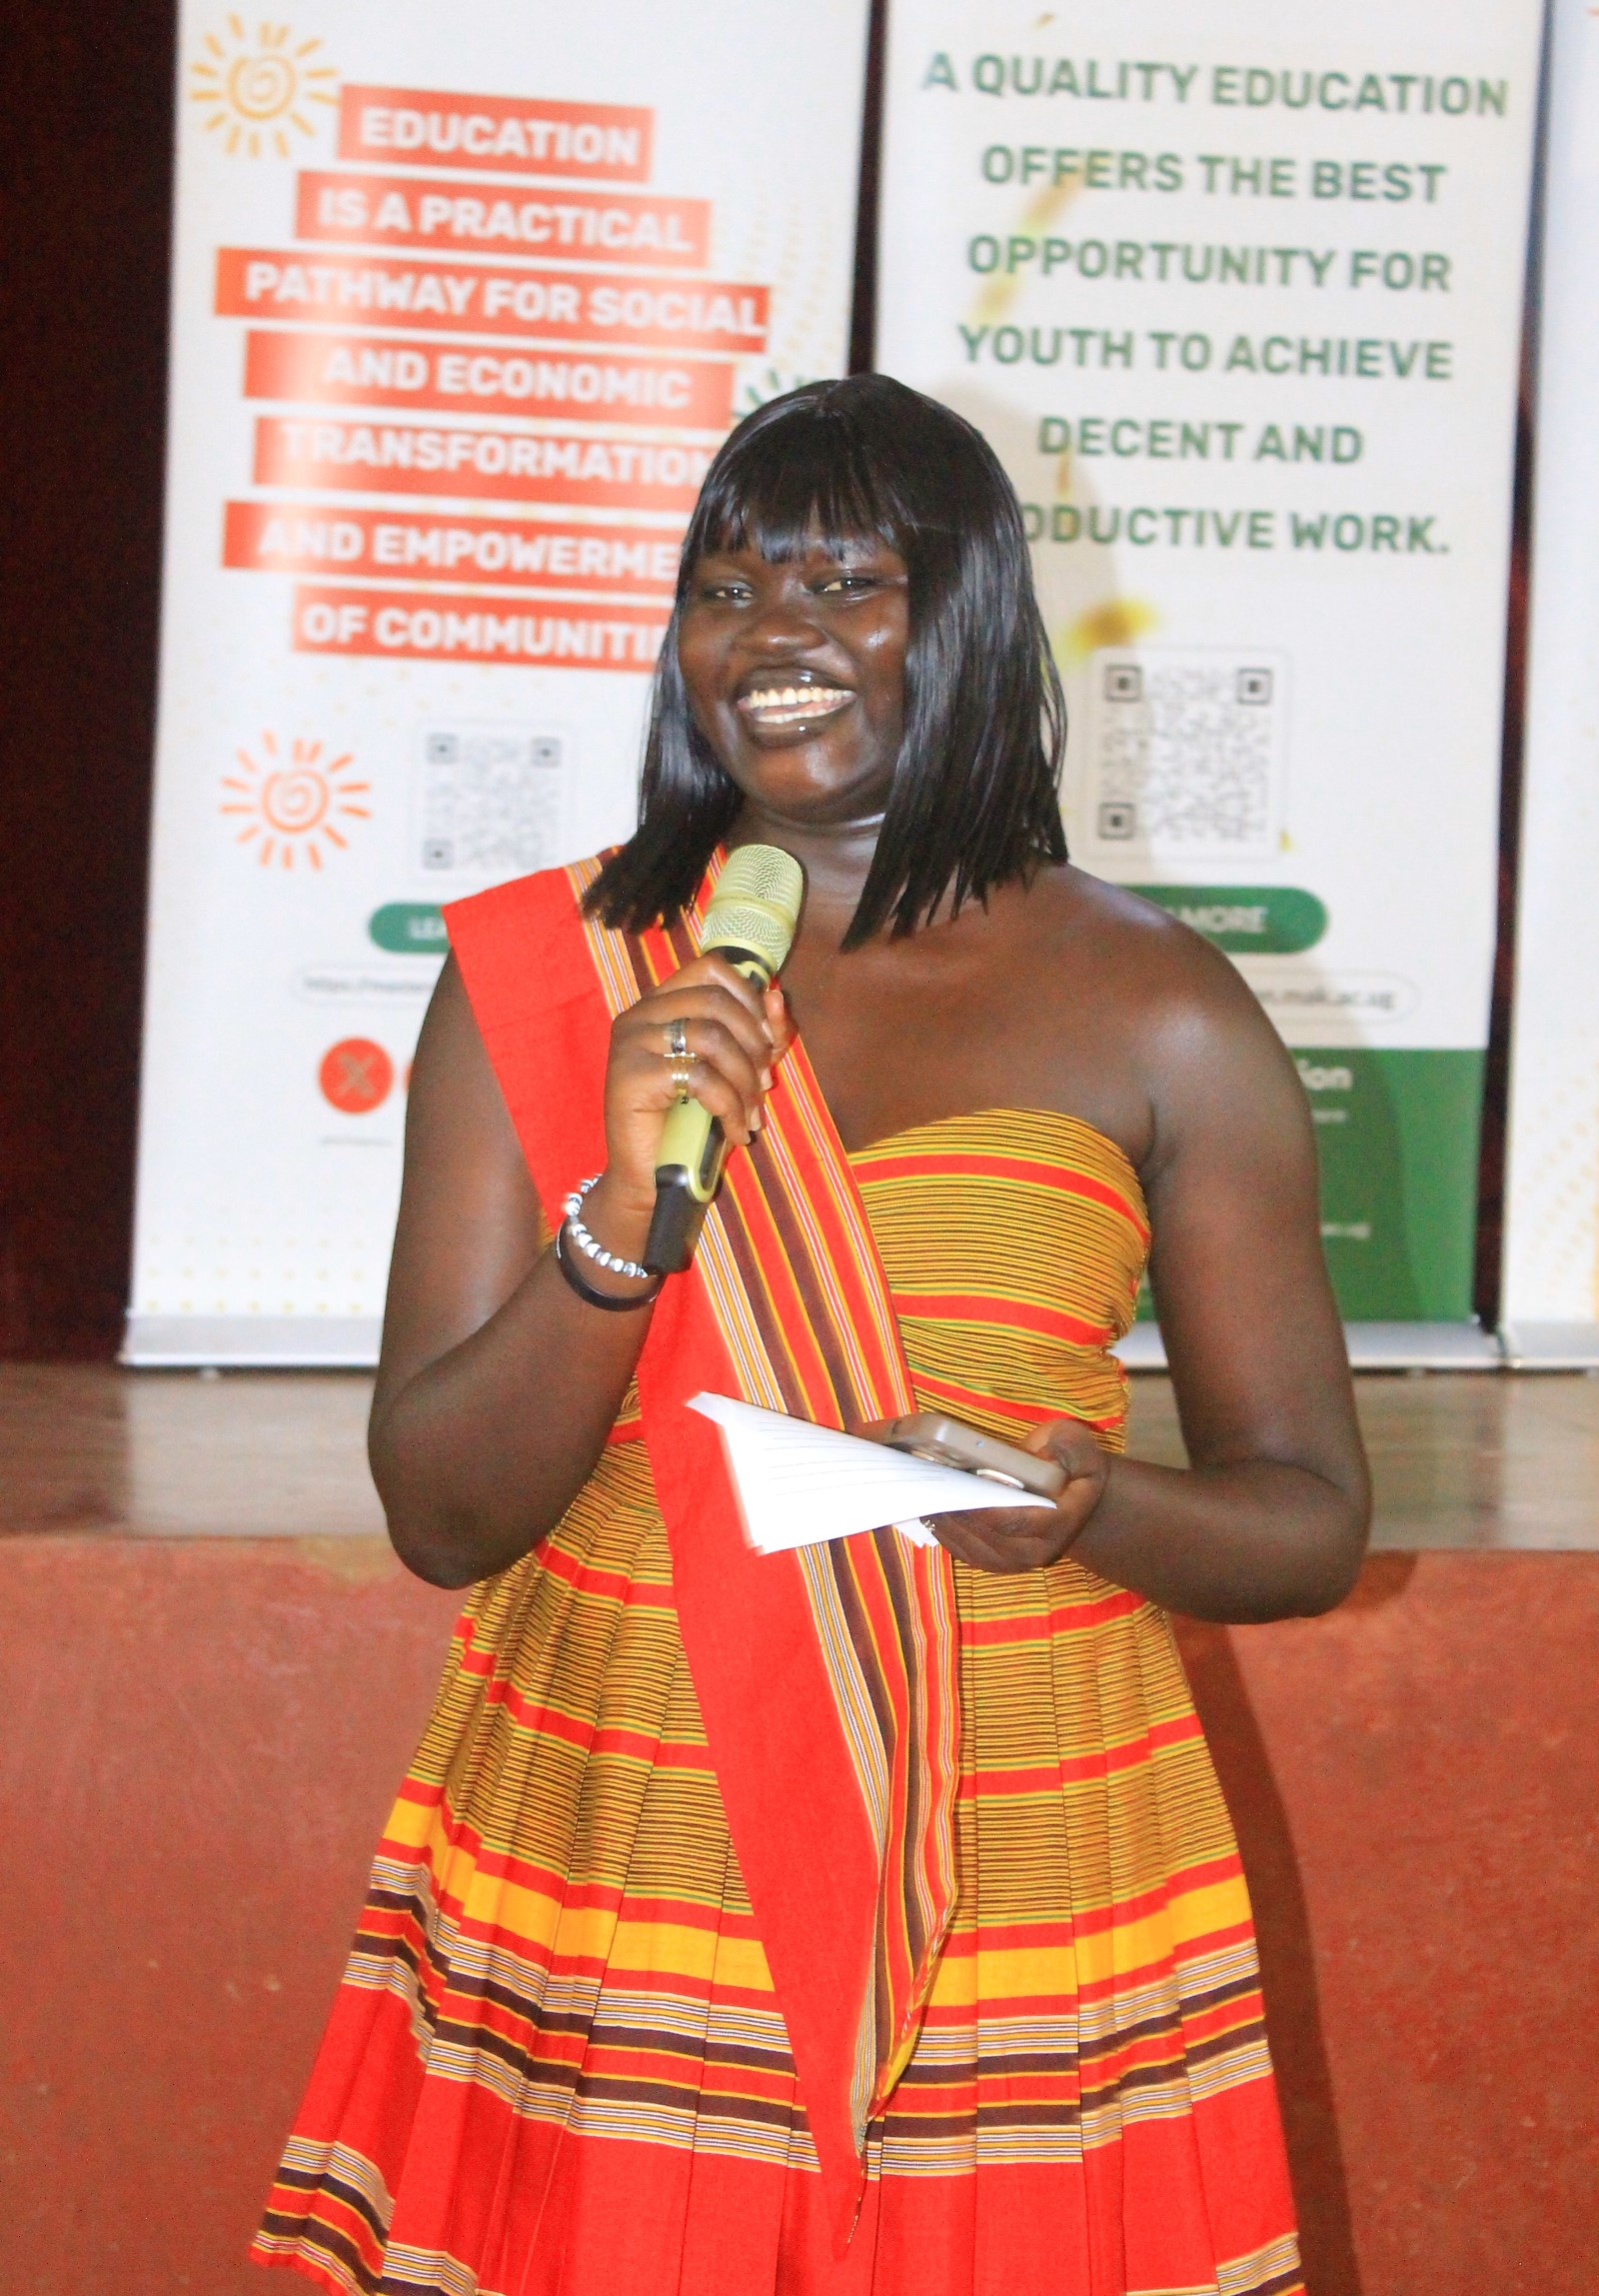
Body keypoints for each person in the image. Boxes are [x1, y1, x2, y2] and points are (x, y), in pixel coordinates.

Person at [254, 375, 1369, 2296]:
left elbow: (1307, 1519)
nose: (770, 632)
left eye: (846, 577)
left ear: (974, 618)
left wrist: (1091, 1508)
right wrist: (622, 1215)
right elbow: (441, 1510)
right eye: (724, 584)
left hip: (1020, 1871)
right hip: (629, 1864)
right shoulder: (555, 976)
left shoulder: (1163, 1012)